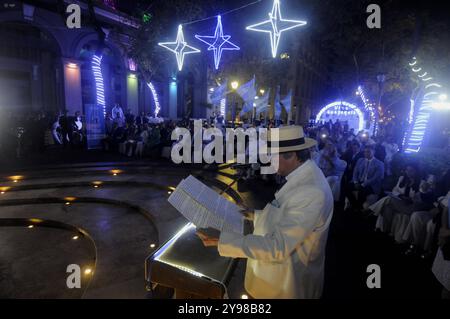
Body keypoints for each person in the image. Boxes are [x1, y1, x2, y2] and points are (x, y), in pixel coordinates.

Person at [197, 126, 334, 299]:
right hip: (277, 277)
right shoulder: (303, 176)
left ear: (291, 155)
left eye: (271, 155)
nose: (268, 161)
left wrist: (223, 242)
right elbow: (286, 215)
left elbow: (278, 247)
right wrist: (255, 214)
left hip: (285, 285)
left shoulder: (312, 191)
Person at [347, 145, 384, 210]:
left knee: (362, 190)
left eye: (368, 152)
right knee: (346, 186)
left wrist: (363, 184)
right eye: (365, 152)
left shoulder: (379, 163)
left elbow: (375, 178)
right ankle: (355, 205)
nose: (366, 153)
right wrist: (355, 182)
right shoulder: (360, 160)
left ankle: (358, 208)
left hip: (371, 185)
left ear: (374, 152)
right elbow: (355, 172)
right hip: (359, 181)